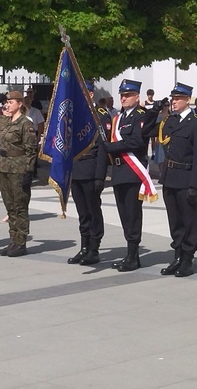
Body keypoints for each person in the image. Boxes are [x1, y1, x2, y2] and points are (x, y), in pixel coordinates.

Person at [149, 82, 197, 277]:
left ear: (187, 100)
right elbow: (149, 130)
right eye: (172, 99)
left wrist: (195, 185)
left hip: (186, 177)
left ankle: (187, 259)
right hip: (170, 177)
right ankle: (177, 256)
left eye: (178, 99)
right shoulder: (170, 121)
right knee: (175, 220)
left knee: (189, 220)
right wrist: (155, 110)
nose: (174, 102)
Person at [102, 79, 157, 272]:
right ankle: (129, 254)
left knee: (133, 215)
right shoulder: (118, 118)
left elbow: (137, 142)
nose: (123, 98)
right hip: (119, 172)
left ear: (137, 97)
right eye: (122, 95)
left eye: (127, 95)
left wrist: (112, 147)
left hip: (133, 172)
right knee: (124, 215)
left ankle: (133, 257)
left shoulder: (140, 116)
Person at [0, 91, 37, 257]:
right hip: (5, 167)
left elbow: (31, 151)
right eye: (6, 103)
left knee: (20, 206)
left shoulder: (25, 124)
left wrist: (29, 171)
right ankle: (13, 240)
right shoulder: (4, 121)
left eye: (10, 102)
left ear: (20, 104)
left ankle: (21, 242)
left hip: (19, 168)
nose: (7, 105)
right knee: (10, 206)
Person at [68, 81, 112, 266]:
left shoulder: (100, 116)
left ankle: (94, 248)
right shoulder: (74, 115)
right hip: (76, 169)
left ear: (91, 94)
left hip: (91, 168)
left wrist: (99, 176)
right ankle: (84, 246)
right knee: (82, 212)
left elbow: (103, 148)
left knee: (93, 211)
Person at [152, 99, 171, 177]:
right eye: (165, 105)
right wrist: (155, 139)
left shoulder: (171, 115)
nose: (166, 107)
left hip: (168, 137)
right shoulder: (159, 116)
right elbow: (156, 128)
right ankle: (161, 172)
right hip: (160, 137)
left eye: (168, 105)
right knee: (160, 157)